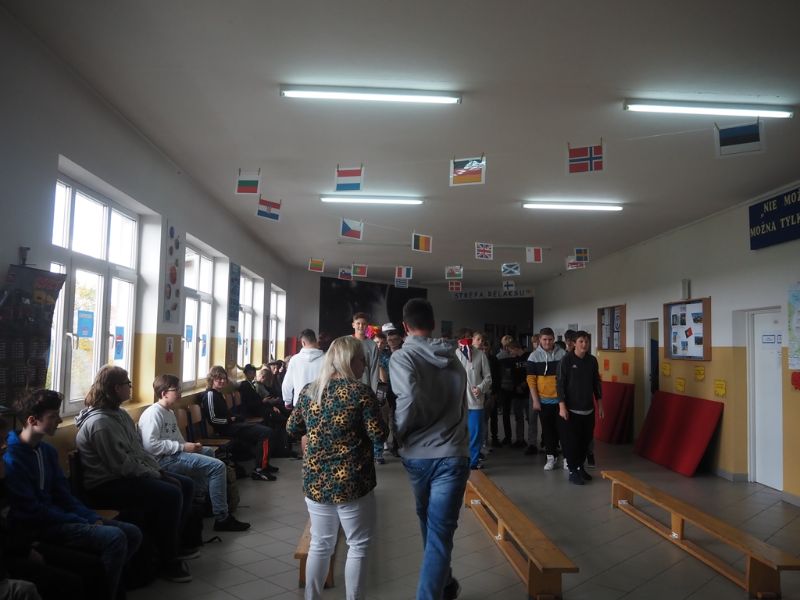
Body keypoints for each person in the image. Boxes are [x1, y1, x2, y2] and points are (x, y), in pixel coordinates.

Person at [3, 390, 142, 600]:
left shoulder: (47, 451)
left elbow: (64, 495)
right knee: (115, 538)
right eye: (53, 416)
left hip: (59, 517)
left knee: (133, 533)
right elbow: (32, 510)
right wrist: (81, 520)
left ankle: (105, 588)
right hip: (38, 526)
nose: (59, 420)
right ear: (32, 420)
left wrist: (90, 517)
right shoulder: (12, 458)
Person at [286, 336, 387, 600]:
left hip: (316, 480)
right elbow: (379, 435)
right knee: (358, 545)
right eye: (361, 359)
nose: (365, 365)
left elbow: (292, 428)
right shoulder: (360, 393)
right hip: (352, 482)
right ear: (348, 361)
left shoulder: (310, 391)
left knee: (320, 544)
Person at [74, 365, 195, 583]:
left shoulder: (120, 415)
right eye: (128, 384)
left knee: (184, 484)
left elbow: (138, 451)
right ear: (116, 388)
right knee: (171, 493)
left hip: (125, 476)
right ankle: (167, 560)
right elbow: (121, 465)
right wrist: (154, 475)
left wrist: (156, 470)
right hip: (106, 485)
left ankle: (173, 544)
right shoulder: (100, 423)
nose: (131, 387)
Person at [389, 298, 469, 600]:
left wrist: (399, 433)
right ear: (433, 324)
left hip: (418, 455)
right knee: (437, 528)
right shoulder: (454, 358)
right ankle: (444, 582)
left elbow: (407, 398)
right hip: (453, 453)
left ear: (405, 326)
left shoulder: (402, 357)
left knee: (432, 526)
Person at [138, 374, 250, 532]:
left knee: (208, 452)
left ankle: (201, 499)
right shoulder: (153, 414)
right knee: (217, 467)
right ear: (164, 393)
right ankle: (222, 518)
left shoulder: (169, 412)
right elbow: (151, 446)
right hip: (162, 460)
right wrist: (183, 447)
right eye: (176, 389)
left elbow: (177, 439)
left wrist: (191, 446)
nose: (180, 392)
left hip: (173, 454)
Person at [201, 365, 279, 481]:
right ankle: (260, 469)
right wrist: (230, 420)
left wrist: (236, 418)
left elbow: (226, 414)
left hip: (232, 426)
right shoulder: (210, 395)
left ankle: (264, 465)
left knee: (265, 430)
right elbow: (213, 419)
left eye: (224, 378)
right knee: (265, 433)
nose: (222, 381)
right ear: (212, 379)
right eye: (219, 378)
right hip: (225, 429)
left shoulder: (218, 393)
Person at [557, 331, 603, 485]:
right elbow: (560, 385)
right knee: (572, 442)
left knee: (585, 441)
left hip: (588, 409)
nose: (584, 344)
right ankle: (572, 470)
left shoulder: (592, 360)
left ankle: (580, 467)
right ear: (574, 343)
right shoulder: (566, 360)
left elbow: (596, 383)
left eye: (586, 341)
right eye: (581, 341)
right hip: (571, 410)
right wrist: (562, 406)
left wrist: (600, 404)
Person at [527, 328, 567, 470]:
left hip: (561, 401)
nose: (547, 342)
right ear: (540, 340)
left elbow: (567, 377)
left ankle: (567, 459)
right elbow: (531, 380)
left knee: (564, 431)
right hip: (543, 401)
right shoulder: (533, 356)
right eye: (544, 339)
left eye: (550, 339)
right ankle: (551, 457)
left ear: (554, 339)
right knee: (548, 432)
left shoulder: (562, 354)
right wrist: (535, 400)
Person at [455, 331, 492, 470]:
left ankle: (473, 463)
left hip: (475, 403)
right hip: (458, 404)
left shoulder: (480, 355)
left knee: (475, 435)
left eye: (469, 339)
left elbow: (488, 378)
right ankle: (460, 461)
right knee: (459, 435)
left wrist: (481, 388)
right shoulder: (455, 355)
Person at [281, 329, 325, 410]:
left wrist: (287, 401)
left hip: (300, 404)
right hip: (320, 404)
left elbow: (287, 383)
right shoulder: (326, 359)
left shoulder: (295, 360)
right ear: (316, 340)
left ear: (303, 343)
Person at [351, 312, 379, 392]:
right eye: (358, 323)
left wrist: (374, 392)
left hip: (365, 386)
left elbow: (374, 370)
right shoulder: (346, 342)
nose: (361, 326)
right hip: (348, 386)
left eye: (364, 324)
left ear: (367, 326)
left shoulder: (373, 345)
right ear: (353, 325)